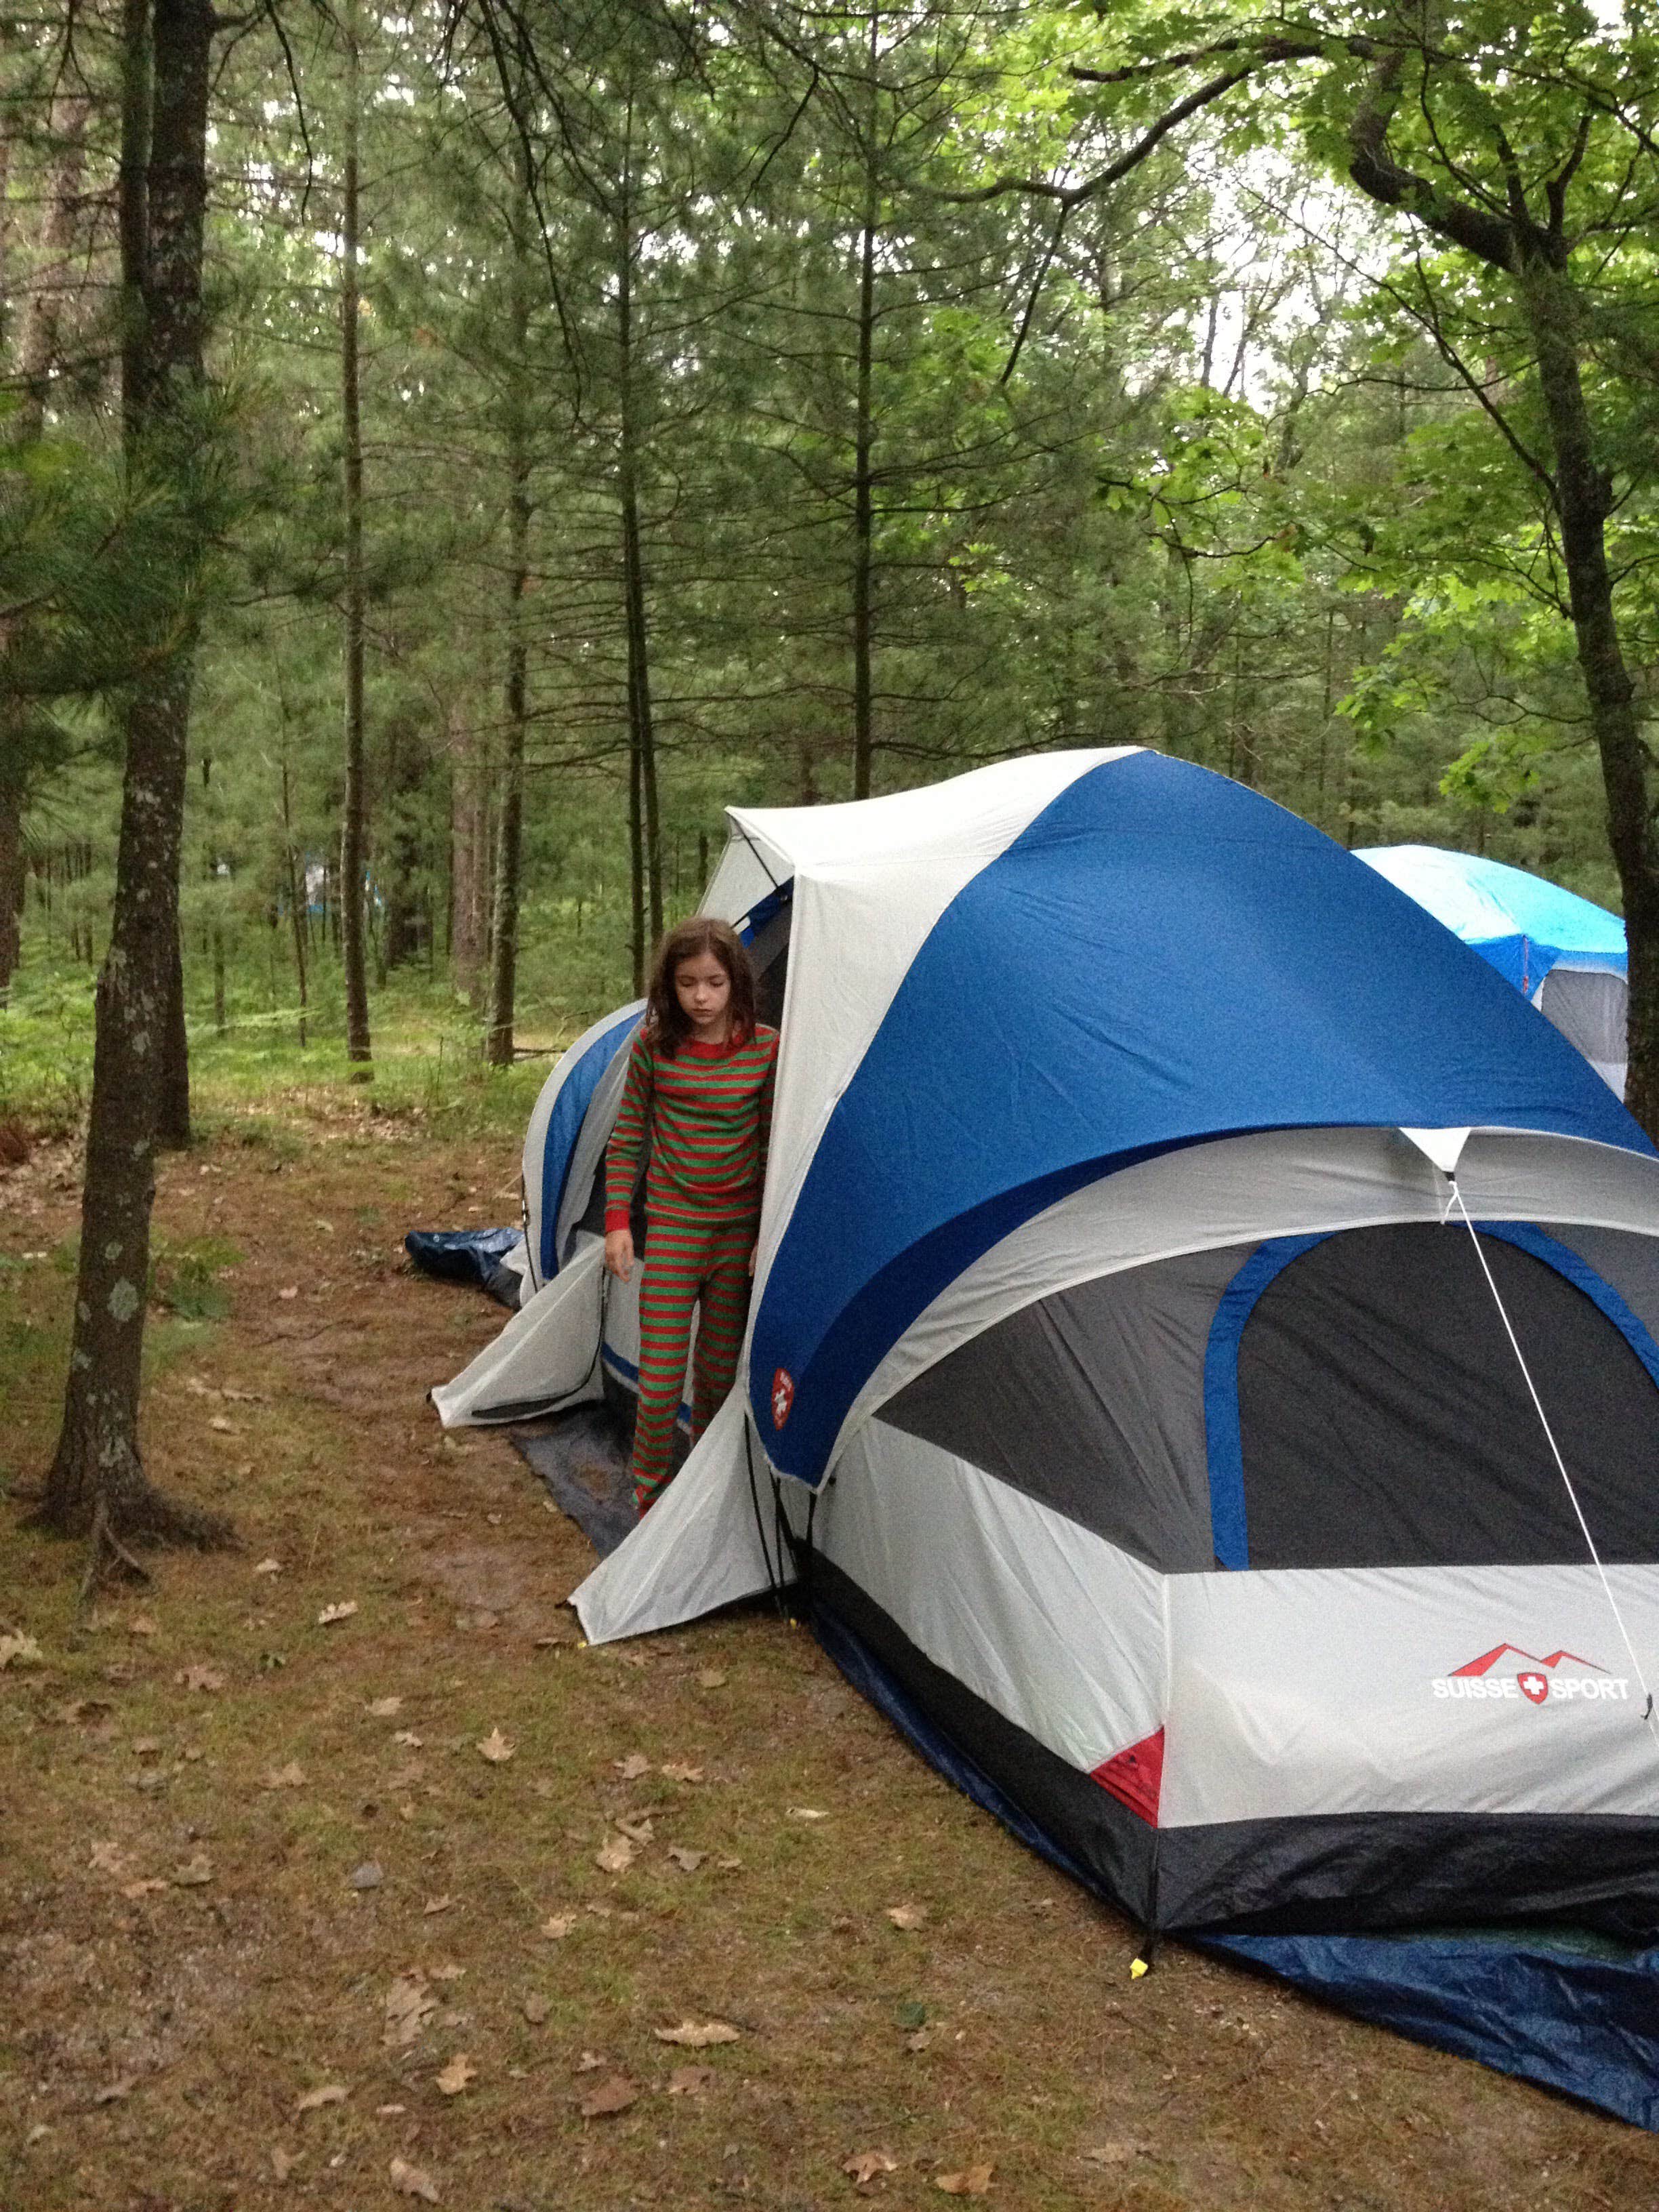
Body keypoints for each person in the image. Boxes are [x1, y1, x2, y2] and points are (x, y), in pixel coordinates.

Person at [603, 918, 779, 1517]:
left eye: (713, 982)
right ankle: (650, 1502)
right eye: (686, 983)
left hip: (736, 1238)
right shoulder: (654, 1046)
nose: (700, 997)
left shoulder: (766, 1049)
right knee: (657, 1389)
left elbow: (771, 1145)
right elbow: (628, 1136)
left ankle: (701, 1509)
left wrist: (765, 1231)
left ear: (735, 983)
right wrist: (619, 1221)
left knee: (716, 1380)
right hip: (675, 1227)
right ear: (668, 986)